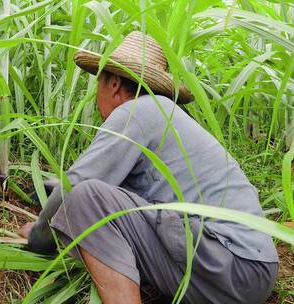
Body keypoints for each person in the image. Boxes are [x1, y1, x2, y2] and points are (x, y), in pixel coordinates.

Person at [17, 31, 278, 304]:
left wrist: (39, 235)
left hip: (229, 263)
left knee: (85, 197)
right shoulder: (165, 115)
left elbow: (77, 187)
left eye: (100, 83)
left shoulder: (138, 111)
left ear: (115, 84)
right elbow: (123, 200)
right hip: (252, 272)